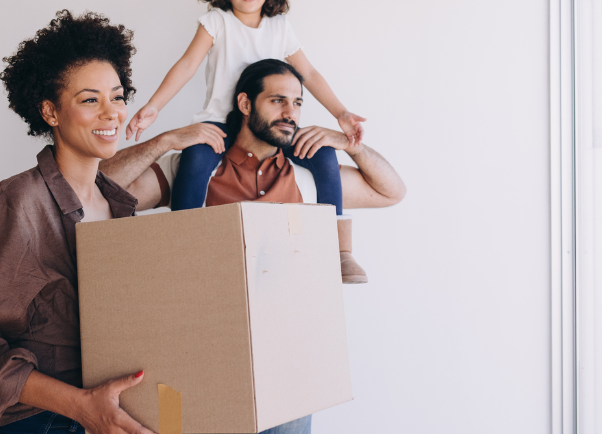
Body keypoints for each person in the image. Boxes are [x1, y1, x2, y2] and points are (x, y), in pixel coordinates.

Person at [0, 10, 221, 434]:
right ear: (51, 113)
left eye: (117, 96)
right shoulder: (17, 204)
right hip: (42, 424)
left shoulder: (118, 206)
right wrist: (81, 407)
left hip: (108, 416)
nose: (111, 113)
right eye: (90, 100)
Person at [122, 0, 372, 279]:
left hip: (269, 125)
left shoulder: (280, 27)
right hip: (220, 124)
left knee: (324, 154)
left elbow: (308, 74)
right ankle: (184, 246)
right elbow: (187, 65)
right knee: (194, 162)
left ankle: (340, 251)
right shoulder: (216, 22)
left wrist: (341, 113)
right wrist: (153, 107)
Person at [100, 59, 406, 288]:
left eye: (297, 103)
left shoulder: (307, 175)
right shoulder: (194, 168)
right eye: (277, 101)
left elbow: (391, 192)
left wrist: (352, 146)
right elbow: (92, 192)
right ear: (245, 103)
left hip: (289, 328)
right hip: (207, 319)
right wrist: (162, 142)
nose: (291, 114)